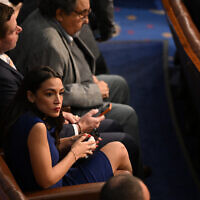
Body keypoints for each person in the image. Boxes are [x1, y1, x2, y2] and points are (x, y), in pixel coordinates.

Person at [0, 2, 146, 179]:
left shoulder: (5, 57)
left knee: (118, 90)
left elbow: (46, 93)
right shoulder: (46, 45)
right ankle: (132, 187)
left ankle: (131, 177)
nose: (20, 29)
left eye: (88, 12)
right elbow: (46, 178)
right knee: (124, 136)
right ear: (60, 13)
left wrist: (68, 136)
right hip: (55, 151)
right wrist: (76, 135)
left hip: (54, 128)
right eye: (82, 14)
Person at [0, 66, 133, 191]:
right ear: (31, 96)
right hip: (57, 191)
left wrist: (70, 141)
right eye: (49, 94)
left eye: (61, 93)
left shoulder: (24, 117)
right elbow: (46, 180)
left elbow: (36, 154)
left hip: (58, 183)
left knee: (122, 176)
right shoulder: (36, 127)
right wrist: (75, 153)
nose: (58, 100)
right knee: (118, 150)